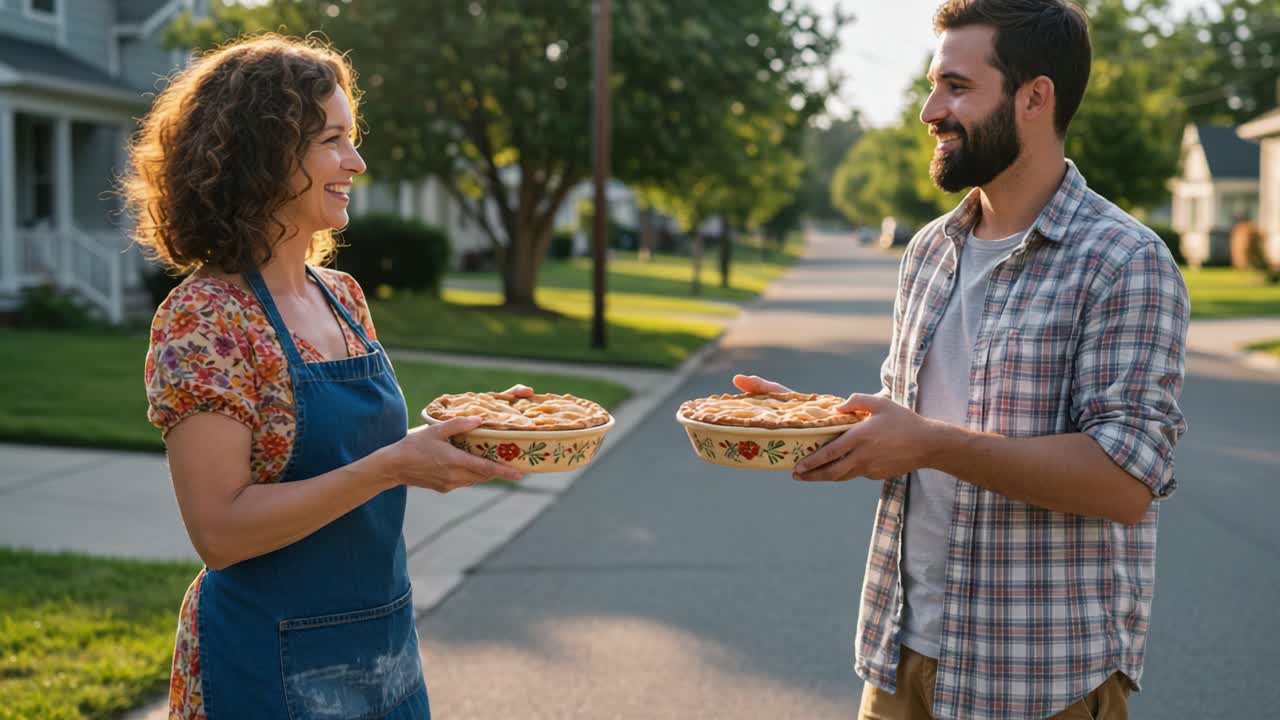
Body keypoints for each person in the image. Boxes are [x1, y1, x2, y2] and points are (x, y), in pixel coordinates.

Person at [735, 1, 1188, 718]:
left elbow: (1123, 481)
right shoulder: (928, 251)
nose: (928, 110)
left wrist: (928, 444)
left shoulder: (1125, 261)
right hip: (897, 659)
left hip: (1039, 680)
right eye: (932, 85)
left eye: (956, 87)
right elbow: (907, 428)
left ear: (1035, 98)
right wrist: (801, 420)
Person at [127, 35, 529, 719]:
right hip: (264, 664)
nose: (357, 161)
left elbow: (353, 457)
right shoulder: (205, 317)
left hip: (385, 647)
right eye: (333, 141)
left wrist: (472, 434)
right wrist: (393, 466)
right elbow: (219, 530)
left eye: (353, 138)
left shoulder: (341, 295)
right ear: (265, 155)